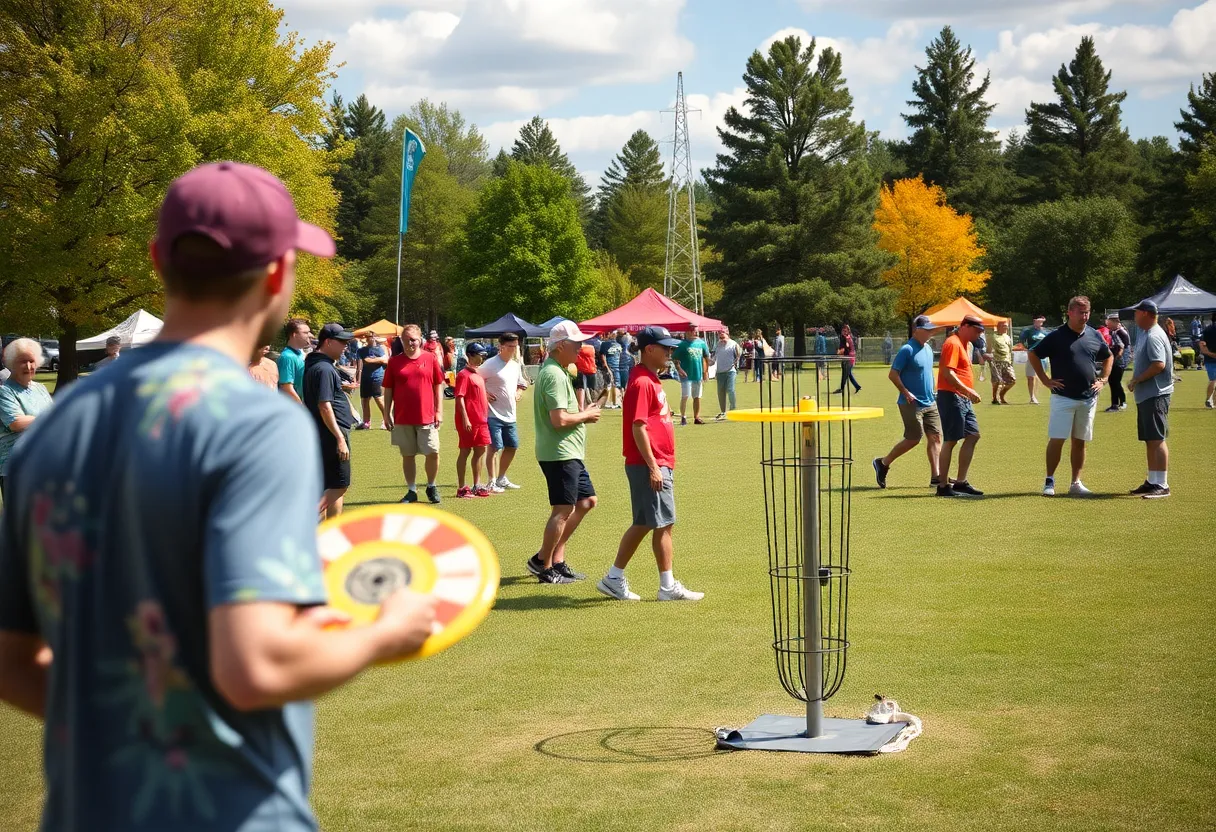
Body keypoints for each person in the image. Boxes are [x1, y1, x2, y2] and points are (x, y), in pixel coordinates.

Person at [0, 161, 437, 831]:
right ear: (276, 274)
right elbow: (254, 664)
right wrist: (384, 632)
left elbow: (13, 660)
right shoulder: (257, 424)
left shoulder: (51, 430)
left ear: (159, 261)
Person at [597, 326, 704, 602]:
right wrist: (654, 466)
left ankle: (613, 578)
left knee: (645, 523)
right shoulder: (643, 381)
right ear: (649, 349)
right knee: (664, 524)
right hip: (650, 463)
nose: (670, 351)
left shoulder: (648, 378)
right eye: (665, 347)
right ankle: (666, 586)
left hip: (652, 462)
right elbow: (638, 427)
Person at [527, 321, 602, 585]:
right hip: (559, 453)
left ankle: (553, 560)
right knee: (562, 509)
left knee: (586, 502)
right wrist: (586, 415)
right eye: (576, 344)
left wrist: (583, 412)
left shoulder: (557, 370)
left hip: (567, 451)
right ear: (561, 346)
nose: (581, 348)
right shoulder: (554, 374)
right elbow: (558, 420)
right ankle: (543, 565)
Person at [1029, 296, 1112, 497]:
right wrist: (1045, 380)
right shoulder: (1057, 335)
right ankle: (1049, 481)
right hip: (1063, 397)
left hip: (1088, 397)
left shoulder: (1094, 334)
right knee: (1057, 439)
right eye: (1080, 312)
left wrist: (1104, 378)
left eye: (1087, 313)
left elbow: (1108, 355)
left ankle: (1076, 482)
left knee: (1080, 441)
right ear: (1070, 313)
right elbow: (1033, 354)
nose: (1084, 317)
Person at [872, 316, 941, 489]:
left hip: (930, 401)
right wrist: (905, 391)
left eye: (931, 329)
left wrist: (933, 391)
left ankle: (936, 477)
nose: (930, 332)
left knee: (935, 437)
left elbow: (927, 373)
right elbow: (893, 374)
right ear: (916, 329)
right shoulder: (907, 349)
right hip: (910, 403)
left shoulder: (928, 349)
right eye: (926, 329)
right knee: (913, 438)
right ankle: (883, 463)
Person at [384, 323, 445, 504]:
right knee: (408, 455)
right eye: (406, 339)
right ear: (401, 341)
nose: (411, 343)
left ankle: (431, 486)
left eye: (414, 339)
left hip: (427, 416)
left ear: (420, 340)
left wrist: (439, 411)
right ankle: (411, 490)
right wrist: (386, 414)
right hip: (403, 417)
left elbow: (438, 385)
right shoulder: (394, 362)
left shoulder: (430, 358)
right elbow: (388, 389)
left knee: (433, 452)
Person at [304, 323, 357, 518]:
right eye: (342, 342)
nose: (345, 346)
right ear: (328, 342)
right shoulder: (324, 368)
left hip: (323, 432)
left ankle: (327, 532)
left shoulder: (315, 364)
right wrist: (340, 439)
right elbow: (324, 406)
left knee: (330, 484)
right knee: (340, 485)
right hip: (331, 433)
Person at [1126, 300, 1174, 498]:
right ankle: (1152, 480)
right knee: (1150, 439)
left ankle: (1162, 484)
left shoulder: (1154, 335)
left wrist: (1137, 379)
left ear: (1145, 314)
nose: (1134, 316)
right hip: (1146, 395)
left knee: (1157, 438)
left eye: (1136, 312)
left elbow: (1158, 365)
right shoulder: (1145, 333)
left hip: (1156, 393)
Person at [935, 316, 985, 497]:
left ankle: (961, 482)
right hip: (951, 396)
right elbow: (947, 373)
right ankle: (942, 486)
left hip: (962, 397)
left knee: (973, 435)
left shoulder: (965, 344)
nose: (978, 334)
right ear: (964, 326)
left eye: (980, 331)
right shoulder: (953, 343)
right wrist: (968, 391)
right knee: (951, 440)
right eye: (976, 330)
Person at [0, 338, 54, 499]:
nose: (29, 366)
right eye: (22, 362)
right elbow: (16, 422)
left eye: (32, 361)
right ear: (11, 363)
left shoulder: (40, 388)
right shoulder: (5, 391)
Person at [479, 332, 529, 492]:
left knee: (512, 446)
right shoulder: (490, 364)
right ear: (501, 347)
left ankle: (501, 478)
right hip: (492, 414)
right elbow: (472, 379)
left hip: (510, 414)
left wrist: (519, 392)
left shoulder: (515, 365)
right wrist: (484, 394)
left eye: (516, 346)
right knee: (494, 448)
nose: (514, 349)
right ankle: (491, 481)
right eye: (510, 346)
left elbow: (521, 383)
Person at [454, 342, 493, 498]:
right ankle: (462, 487)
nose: (482, 359)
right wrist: (465, 418)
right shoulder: (463, 375)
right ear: (470, 355)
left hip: (481, 420)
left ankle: (477, 484)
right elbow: (460, 398)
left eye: (483, 356)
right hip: (469, 420)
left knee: (481, 450)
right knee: (465, 450)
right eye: (479, 355)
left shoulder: (477, 374)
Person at [674, 327, 709, 425]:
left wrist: (705, 372)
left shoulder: (701, 343)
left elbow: (706, 358)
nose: (692, 332)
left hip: (697, 374)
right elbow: (675, 358)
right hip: (686, 375)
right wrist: (679, 369)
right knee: (685, 396)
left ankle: (696, 417)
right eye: (689, 330)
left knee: (697, 396)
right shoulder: (681, 344)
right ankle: (683, 417)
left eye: (694, 330)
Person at [355, 333, 389, 430]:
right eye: (369, 337)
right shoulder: (361, 350)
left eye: (372, 336)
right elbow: (362, 362)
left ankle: (386, 420)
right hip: (365, 377)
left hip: (377, 376)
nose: (371, 338)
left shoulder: (381, 348)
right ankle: (366, 422)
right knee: (364, 399)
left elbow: (386, 360)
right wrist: (379, 360)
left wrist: (373, 360)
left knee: (379, 399)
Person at [1015, 315, 1050, 404]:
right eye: (1039, 321)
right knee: (1031, 377)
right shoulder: (1028, 331)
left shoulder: (1046, 332)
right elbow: (1021, 341)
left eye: (1042, 321)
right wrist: (1026, 348)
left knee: (1042, 376)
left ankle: (1050, 393)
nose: (1040, 323)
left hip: (1043, 357)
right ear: (1034, 321)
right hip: (1032, 355)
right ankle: (1032, 397)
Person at [277, 317, 312, 403]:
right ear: (294, 334)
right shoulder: (288, 357)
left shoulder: (300, 353)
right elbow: (286, 387)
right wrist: (301, 408)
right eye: (305, 333)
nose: (310, 335)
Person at [1105, 314, 1132, 412]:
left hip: (1119, 361)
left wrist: (1117, 358)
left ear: (1115, 322)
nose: (1107, 323)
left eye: (1109, 321)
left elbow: (1123, 347)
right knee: (1112, 381)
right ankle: (1114, 404)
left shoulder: (1120, 332)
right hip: (1116, 359)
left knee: (1115, 381)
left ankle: (1122, 402)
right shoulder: (1114, 331)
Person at [986, 320, 1016, 404]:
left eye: (1006, 326)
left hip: (1007, 361)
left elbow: (1010, 350)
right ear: (998, 327)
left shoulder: (1007, 337)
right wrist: (989, 359)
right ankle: (995, 398)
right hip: (996, 361)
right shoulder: (992, 336)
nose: (1006, 327)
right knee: (997, 380)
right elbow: (989, 350)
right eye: (1004, 326)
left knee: (1012, 380)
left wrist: (1010, 361)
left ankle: (1001, 394)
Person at [714, 328, 740, 420]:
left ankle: (733, 410)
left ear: (727, 333)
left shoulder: (734, 344)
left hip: (730, 371)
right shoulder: (718, 345)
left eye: (722, 333)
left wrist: (735, 363)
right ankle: (723, 412)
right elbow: (714, 358)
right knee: (721, 393)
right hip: (720, 372)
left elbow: (739, 355)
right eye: (719, 334)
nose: (721, 335)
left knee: (731, 390)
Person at [833, 323, 862, 395]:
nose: (844, 332)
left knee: (845, 374)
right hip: (849, 358)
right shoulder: (849, 337)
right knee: (848, 374)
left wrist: (838, 352)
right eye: (843, 331)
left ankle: (841, 389)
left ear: (848, 331)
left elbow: (843, 349)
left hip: (848, 359)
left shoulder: (845, 338)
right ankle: (857, 386)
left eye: (845, 331)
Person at [598, 331, 624, 409]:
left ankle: (616, 402)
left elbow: (620, 356)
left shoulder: (619, 344)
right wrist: (606, 367)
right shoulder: (605, 344)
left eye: (615, 333)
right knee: (608, 385)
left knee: (617, 385)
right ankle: (599, 404)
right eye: (612, 333)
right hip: (609, 367)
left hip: (618, 368)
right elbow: (602, 355)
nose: (614, 335)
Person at [574, 337, 598, 410]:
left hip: (583, 370)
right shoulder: (592, 347)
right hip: (590, 370)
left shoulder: (581, 349)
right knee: (588, 389)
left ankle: (582, 406)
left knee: (582, 389)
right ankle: (588, 406)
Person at [1201, 313, 1216, 407]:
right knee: (1214, 380)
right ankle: (1211, 401)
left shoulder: (1207, 329)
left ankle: (1210, 400)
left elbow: (1201, 345)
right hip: (1211, 358)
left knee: (1213, 380)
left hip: (1209, 359)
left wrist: (1210, 354)